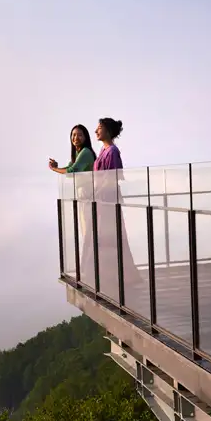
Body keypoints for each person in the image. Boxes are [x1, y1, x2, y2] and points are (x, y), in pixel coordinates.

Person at [92, 117, 144, 300]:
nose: (96, 131)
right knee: (108, 238)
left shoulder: (112, 151)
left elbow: (113, 178)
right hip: (102, 199)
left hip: (108, 200)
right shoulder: (103, 150)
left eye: (99, 128)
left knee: (113, 237)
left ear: (107, 130)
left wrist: (98, 191)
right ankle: (113, 275)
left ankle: (120, 276)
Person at [50, 125, 97, 286]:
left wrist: (55, 169)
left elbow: (73, 171)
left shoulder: (85, 153)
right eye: (73, 135)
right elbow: (70, 168)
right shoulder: (78, 153)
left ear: (86, 137)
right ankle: (87, 269)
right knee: (87, 234)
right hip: (85, 197)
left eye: (79, 135)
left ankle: (87, 270)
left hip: (89, 197)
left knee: (89, 235)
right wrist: (56, 167)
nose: (76, 138)